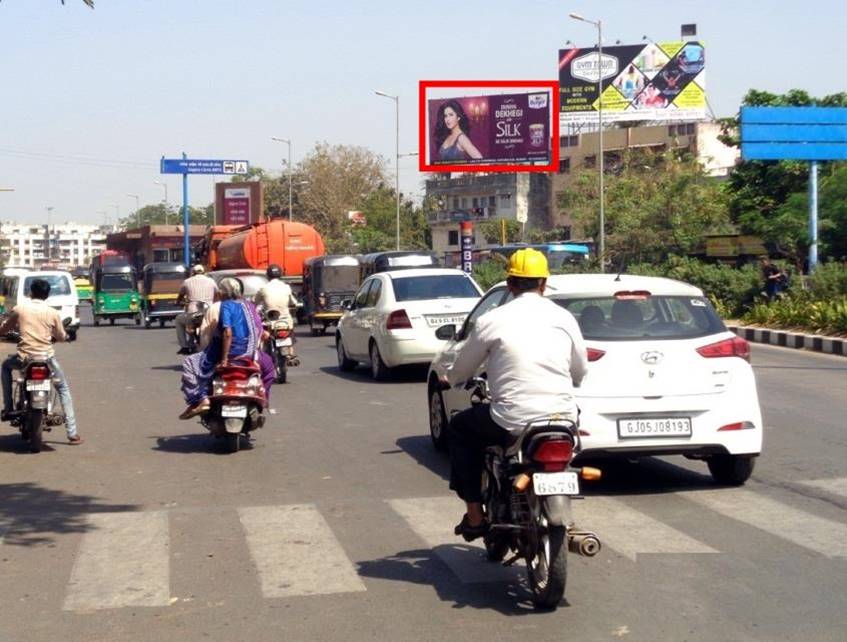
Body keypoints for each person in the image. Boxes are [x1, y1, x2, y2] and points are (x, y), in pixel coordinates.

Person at [441, 248, 588, 541]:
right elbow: (580, 369)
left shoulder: (492, 320)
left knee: (459, 429)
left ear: (510, 284)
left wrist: (453, 378)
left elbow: (463, 367)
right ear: (544, 284)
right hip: (562, 417)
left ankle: (474, 516)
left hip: (511, 418)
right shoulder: (565, 318)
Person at [0, 278, 82, 444]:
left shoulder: (20, 309)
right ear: (47, 295)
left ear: (31, 292)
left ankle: (8, 407)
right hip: (47, 359)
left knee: (5, 367)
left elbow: (5, 328)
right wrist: (66, 337)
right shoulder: (52, 312)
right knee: (63, 388)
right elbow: (60, 335)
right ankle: (72, 433)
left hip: (24, 359)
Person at [179, 278, 274, 419]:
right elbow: (259, 330)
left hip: (229, 355)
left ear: (222, 293)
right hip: (251, 355)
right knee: (270, 368)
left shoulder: (226, 306)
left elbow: (227, 333)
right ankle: (263, 400)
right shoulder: (250, 306)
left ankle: (199, 399)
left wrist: (224, 359)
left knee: (190, 363)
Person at [175, 265, 218, 355]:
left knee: (178, 320)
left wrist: (178, 302)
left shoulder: (187, 282)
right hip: (209, 312)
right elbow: (217, 294)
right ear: (203, 272)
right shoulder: (211, 281)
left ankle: (184, 346)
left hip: (193, 313)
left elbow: (180, 296)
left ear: (193, 272)